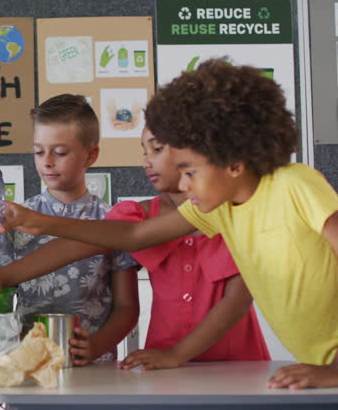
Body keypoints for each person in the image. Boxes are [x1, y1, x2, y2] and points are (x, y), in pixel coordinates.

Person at [0, 59, 338, 409]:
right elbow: (133, 237)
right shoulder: (221, 209)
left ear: (233, 162)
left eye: (190, 171)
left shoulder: (295, 183)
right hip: (320, 362)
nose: (183, 184)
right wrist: (37, 222)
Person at [0, 94, 138, 365]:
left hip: (94, 368)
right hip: (31, 365)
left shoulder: (111, 221)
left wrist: (96, 346)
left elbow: (127, 308)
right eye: (38, 151)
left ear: (91, 155)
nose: (46, 162)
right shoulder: (15, 220)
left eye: (59, 153)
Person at [111, 126, 270, 369]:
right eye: (144, 152)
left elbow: (238, 300)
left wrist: (177, 354)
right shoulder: (137, 215)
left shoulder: (234, 212)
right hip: (161, 364)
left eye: (157, 149)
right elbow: (80, 244)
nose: (146, 162)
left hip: (238, 368)